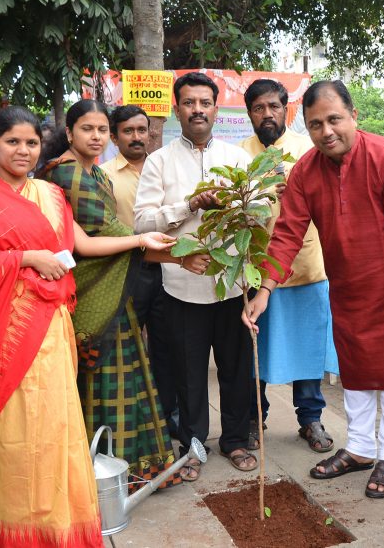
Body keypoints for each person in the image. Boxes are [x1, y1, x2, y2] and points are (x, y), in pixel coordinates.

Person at [0, 105, 175, 547]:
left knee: (56, 424)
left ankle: (61, 524)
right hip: (2, 331)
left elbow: (83, 244)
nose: (23, 150)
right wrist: (26, 259)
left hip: (52, 326)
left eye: (31, 142)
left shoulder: (50, 195)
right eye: (12, 141)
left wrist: (141, 239)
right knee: (13, 430)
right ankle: (18, 530)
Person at [243, 80, 384, 499]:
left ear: (354, 116)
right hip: (348, 291)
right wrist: (264, 293)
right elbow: (286, 235)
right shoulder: (306, 171)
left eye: (334, 119)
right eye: (316, 124)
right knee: (353, 372)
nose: (326, 131)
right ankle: (359, 449)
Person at [36, 99, 181, 489]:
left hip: (114, 281)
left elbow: (112, 234)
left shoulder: (94, 174)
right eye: (88, 129)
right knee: (104, 380)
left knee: (125, 374)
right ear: (69, 133)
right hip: (92, 287)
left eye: (101, 130)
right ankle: (98, 472)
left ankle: (122, 468)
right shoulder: (68, 175)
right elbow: (106, 234)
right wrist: (172, 253)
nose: (97, 137)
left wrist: (161, 251)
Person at [134, 71, 257, 481]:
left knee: (237, 368)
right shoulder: (159, 160)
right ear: (176, 109)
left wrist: (231, 206)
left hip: (232, 284)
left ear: (217, 109)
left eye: (205, 103)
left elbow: (258, 214)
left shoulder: (238, 158)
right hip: (181, 286)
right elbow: (141, 225)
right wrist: (188, 205)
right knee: (187, 373)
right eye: (189, 103)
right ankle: (193, 446)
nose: (197, 110)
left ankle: (236, 439)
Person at [238, 78, 338, 453]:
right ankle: (254, 419)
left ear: (287, 110)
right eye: (259, 108)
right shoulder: (236, 155)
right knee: (254, 350)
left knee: (309, 347)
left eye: (274, 107)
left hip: (308, 265)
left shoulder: (308, 150)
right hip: (256, 268)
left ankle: (310, 418)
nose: (267, 114)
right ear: (250, 113)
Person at [100, 105, 178, 437]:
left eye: (142, 130)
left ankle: (168, 417)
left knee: (167, 346)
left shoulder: (164, 167)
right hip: (127, 270)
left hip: (169, 268)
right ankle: (134, 419)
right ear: (115, 136)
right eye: (128, 131)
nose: (137, 137)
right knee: (128, 347)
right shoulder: (103, 175)